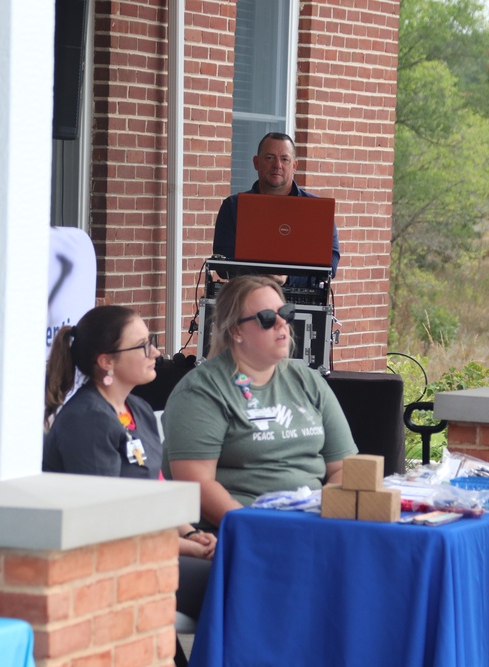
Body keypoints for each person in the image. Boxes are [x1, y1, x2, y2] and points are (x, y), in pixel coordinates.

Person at [41, 305, 217, 658]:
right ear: (106, 362)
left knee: (238, 568)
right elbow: (106, 523)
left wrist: (189, 532)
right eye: (143, 345)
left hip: (151, 549)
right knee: (231, 583)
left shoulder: (136, 408)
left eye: (151, 342)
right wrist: (183, 547)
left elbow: (156, 485)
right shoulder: (87, 420)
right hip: (110, 561)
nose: (156, 352)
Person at [164, 275, 358, 528]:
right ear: (236, 330)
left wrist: (327, 519)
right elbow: (198, 486)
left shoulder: (309, 381)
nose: (282, 323)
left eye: (286, 313)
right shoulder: (202, 391)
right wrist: (258, 530)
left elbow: (345, 467)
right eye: (267, 317)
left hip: (312, 523)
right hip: (240, 533)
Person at [212, 132, 341, 286]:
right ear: (256, 162)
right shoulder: (233, 207)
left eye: (284, 159)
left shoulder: (318, 211)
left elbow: (330, 265)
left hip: (302, 306)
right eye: (269, 158)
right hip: (246, 300)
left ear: (294, 166)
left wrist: (288, 279)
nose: (277, 165)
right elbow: (222, 263)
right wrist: (261, 274)